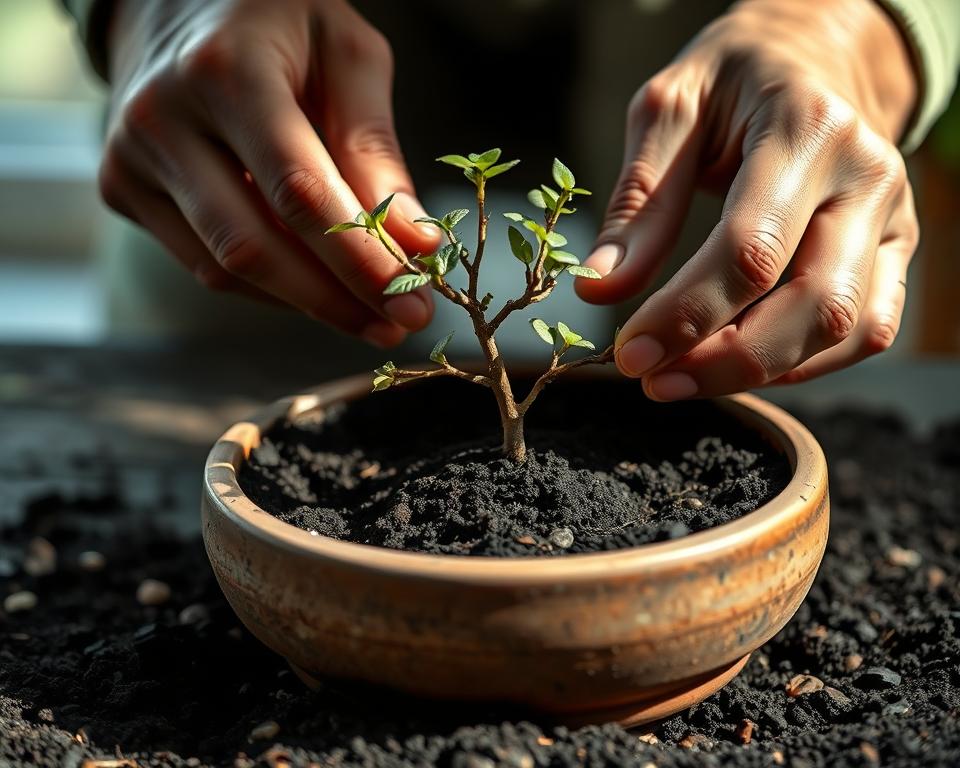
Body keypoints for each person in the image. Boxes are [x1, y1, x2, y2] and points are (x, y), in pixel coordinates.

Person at [63, 0, 959, 399]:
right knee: (255, 314)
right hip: (275, 27)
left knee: (750, 341)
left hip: (719, 21)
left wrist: (855, 25)